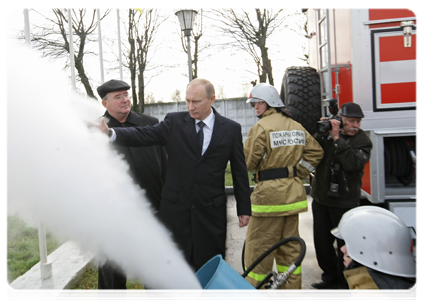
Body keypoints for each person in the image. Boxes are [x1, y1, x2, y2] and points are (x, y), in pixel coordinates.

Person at [97, 78, 251, 272]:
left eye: (196, 102)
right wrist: (111, 133)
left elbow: (239, 170)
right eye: (187, 101)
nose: (190, 107)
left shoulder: (230, 129)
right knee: (178, 266)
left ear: (212, 99)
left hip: (210, 213)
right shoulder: (174, 122)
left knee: (210, 265)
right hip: (176, 212)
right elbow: (144, 134)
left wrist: (243, 207)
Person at [243, 83, 324, 300]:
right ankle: (292, 296)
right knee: (290, 254)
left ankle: (256, 295)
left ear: (268, 103)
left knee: (258, 254)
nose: (255, 107)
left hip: (268, 201)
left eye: (257, 103)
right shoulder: (296, 126)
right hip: (292, 197)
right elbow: (316, 152)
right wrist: (297, 172)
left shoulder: (260, 128)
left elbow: (249, 163)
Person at [95, 79, 169, 300]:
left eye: (126, 95)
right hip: (113, 218)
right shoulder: (94, 129)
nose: (125, 100)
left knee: (158, 273)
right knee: (112, 273)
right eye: (118, 97)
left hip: (151, 211)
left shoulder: (151, 123)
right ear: (104, 103)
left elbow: (164, 166)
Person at [310, 102, 373, 299]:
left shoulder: (363, 141)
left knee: (346, 245)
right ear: (341, 120)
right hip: (322, 197)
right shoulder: (330, 133)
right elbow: (312, 149)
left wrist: (337, 139)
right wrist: (322, 132)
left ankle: (346, 281)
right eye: (350, 121)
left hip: (345, 201)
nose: (355, 125)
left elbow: (352, 163)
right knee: (322, 242)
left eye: (358, 121)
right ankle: (329, 277)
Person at [331, 206, 420, 300]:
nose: (342, 249)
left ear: (368, 251)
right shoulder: (409, 287)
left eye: (350, 243)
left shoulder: (365, 297)